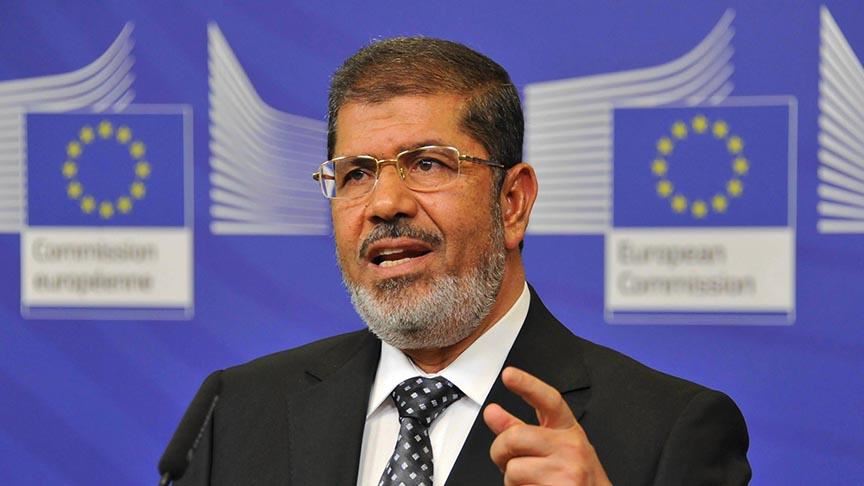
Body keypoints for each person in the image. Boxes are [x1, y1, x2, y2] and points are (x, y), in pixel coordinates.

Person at [176, 37, 751, 485]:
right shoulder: (237, 411)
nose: (384, 204)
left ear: (512, 202)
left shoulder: (669, 432)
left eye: (427, 164)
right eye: (356, 174)